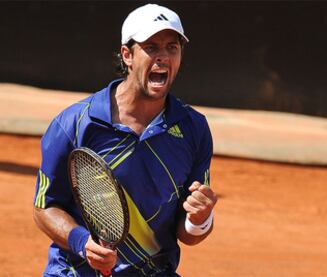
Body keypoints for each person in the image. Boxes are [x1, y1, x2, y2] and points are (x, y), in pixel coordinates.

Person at [33, 3, 218, 276]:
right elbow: (45, 206)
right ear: (127, 55)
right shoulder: (75, 123)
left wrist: (201, 219)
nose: (163, 57)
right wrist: (82, 243)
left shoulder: (194, 128)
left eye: (172, 47)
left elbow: (188, 233)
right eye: (152, 47)